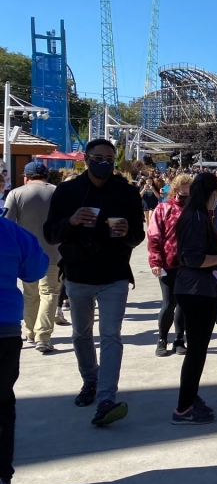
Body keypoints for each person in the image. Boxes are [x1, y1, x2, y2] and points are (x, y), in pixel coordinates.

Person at [43, 138, 146, 426]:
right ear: (86, 159)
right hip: (78, 273)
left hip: (114, 275)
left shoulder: (126, 192)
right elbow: (51, 234)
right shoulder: (67, 191)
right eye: (98, 157)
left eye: (110, 159)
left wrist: (127, 232)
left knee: (111, 335)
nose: (104, 163)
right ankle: (90, 379)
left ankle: (106, 396)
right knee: (80, 333)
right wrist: (72, 221)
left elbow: (138, 236)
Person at [171, 173, 217, 425]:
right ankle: (183, 408)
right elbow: (194, 258)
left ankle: (190, 397)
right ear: (212, 193)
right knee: (196, 351)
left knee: (197, 350)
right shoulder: (197, 217)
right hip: (195, 291)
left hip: (198, 288)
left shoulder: (196, 215)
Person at [0, 215, 49, 484]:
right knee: (2, 405)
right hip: (4, 330)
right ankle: (1, 483)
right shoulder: (9, 231)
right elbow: (36, 269)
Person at [3, 162, 61, 352]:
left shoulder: (16, 194)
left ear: (26, 177)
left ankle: (29, 332)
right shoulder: (58, 192)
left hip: (26, 255)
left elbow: (7, 225)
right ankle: (43, 336)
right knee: (50, 294)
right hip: (54, 252)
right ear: (46, 176)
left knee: (30, 294)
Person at [148, 173, 192, 357]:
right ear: (175, 191)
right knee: (169, 303)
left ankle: (179, 339)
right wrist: (155, 261)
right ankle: (162, 338)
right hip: (168, 261)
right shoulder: (163, 208)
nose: (185, 198)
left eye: (189, 194)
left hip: (190, 264)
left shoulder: (196, 210)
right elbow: (154, 236)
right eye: (182, 194)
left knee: (183, 303)